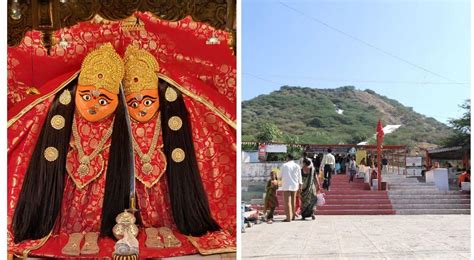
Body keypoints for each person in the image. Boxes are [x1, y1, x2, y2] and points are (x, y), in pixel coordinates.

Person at [280, 153, 302, 222]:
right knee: (293, 201)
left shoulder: (284, 165)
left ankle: (288, 218)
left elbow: (280, 175)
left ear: (288, 158)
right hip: (295, 185)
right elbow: (299, 177)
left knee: (287, 202)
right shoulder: (297, 166)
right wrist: (300, 185)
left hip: (286, 185)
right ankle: (292, 216)